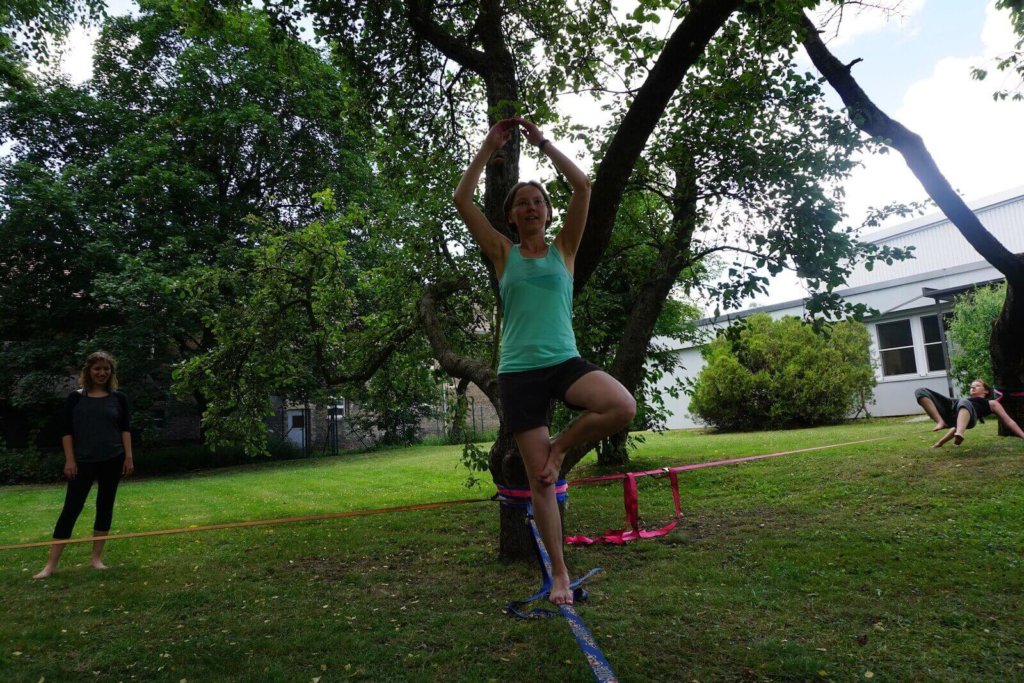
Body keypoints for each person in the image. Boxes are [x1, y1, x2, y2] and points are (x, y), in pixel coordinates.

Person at [453, 117, 636, 605]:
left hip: (564, 362)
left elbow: (583, 186)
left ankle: (559, 448)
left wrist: (545, 144)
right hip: (519, 373)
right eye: (521, 203)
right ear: (511, 216)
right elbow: (462, 202)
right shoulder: (502, 252)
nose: (530, 207)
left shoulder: (565, 250)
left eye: (537, 201)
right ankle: (558, 575)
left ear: (548, 213)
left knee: (621, 406)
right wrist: (488, 146)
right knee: (541, 481)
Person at [33, 351, 134, 579]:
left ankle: (96, 558)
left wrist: (128, 456)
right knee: (71, 508)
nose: (102, 373)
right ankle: (50, 565)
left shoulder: (119, 398)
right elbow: (66, 431)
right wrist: (70, 459)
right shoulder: (75, 398)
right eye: (97, 368)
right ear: (88, 371)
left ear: (111, 372)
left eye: (106, 369)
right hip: (82, 461)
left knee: (104, 505)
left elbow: (125, 429)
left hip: (113, 459)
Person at [915, 379, 1024, 448]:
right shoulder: (964, 401)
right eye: (971, 386)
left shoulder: (992, 403)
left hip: (971, 418)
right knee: (920, 391)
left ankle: (960, 433)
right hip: (952, 412)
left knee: (963, 402)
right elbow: (955, 428)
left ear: (986, 391)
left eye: (977, 386)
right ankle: (940, 421)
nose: (973, 387)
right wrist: (940, 443)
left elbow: (1009, 421)